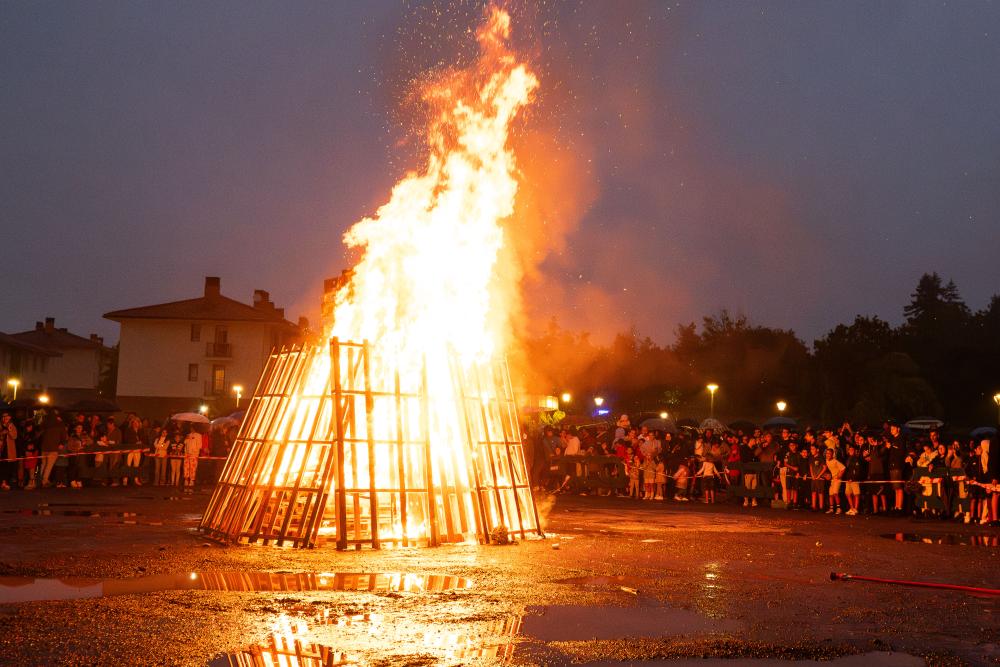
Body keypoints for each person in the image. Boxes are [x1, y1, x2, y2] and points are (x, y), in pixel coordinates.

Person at [825, 449, 845, 515]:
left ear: (832, 454)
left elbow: (843, 468)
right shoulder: (827, 461)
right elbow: (829, 471)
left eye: (829, 453)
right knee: (830, 494)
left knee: (835, 493)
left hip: (837, 480)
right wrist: (828, 475)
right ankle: (831, 509)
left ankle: (839, 509)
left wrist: (839, 475)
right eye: (827, 453)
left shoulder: (835, 461)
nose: (827, 454)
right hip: (832, 480)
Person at [0, 413, 17, 491]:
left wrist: (9, 431)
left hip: (9, 450)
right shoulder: (0, 425)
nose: (5, 418)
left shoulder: (12, 425)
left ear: (9, 417)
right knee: (2, 466)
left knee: (8, 467)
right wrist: (1, 433)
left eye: (6, 416)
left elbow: (14, 436)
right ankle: (3, 483)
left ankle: (5, 483)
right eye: (3, 417)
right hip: (1, 449)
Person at [182, 428, 201, 492]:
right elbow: (185, 443)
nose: (192, 429)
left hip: (194, 454)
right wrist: (187, 438)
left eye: (193, 428)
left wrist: (195, 451)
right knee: (186, 467)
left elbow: (199, 445)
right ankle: (186, 479)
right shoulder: (188, 435)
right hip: (187, 454)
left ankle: (192, 480)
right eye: (191, 428)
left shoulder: (198, 435)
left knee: (193, 467)